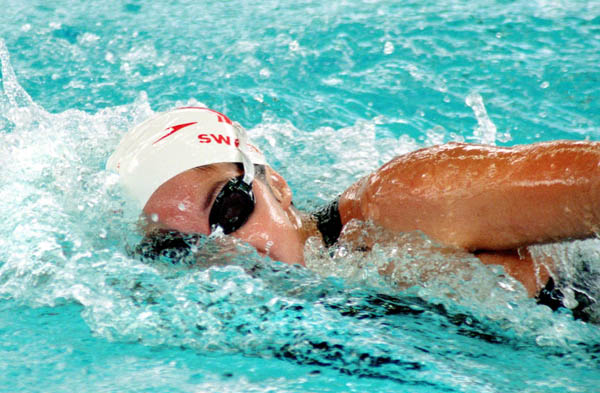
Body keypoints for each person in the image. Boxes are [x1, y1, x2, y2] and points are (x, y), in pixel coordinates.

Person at [107, 107, 599, 316]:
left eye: (229, 209)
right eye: (180, 247)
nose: (226, 251)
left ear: (274, 183)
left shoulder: (406, 201)